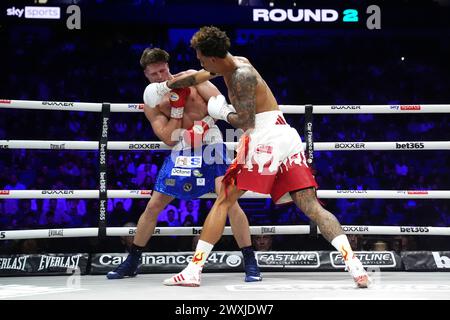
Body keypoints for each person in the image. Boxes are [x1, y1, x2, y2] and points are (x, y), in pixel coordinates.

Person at [147, 26, 370, 288]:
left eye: (201, 58)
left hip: (264, 138)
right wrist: (167, 85)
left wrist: (221, 113)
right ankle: (356, 268)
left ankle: (193, 270)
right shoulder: (233, 62)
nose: (200, 63)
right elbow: (197, 77)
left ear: (213, 58)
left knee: (223, 201)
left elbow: (245, 120)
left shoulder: (242, 76)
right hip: (285, 135)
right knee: (312, 207)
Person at [106, 47, 261, 282]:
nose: (161, 77)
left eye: (163, 71)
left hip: (211, 143)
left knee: (229, 200)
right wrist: (177, 108)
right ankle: (132, 261)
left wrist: (210, 120)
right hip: (182, 149)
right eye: (154, 74)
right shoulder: (153, 102)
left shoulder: (191, 78)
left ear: (168, 67)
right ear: (146, 76)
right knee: (153, 205)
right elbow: (169, 138)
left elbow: (218, 101)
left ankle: (250, 262)